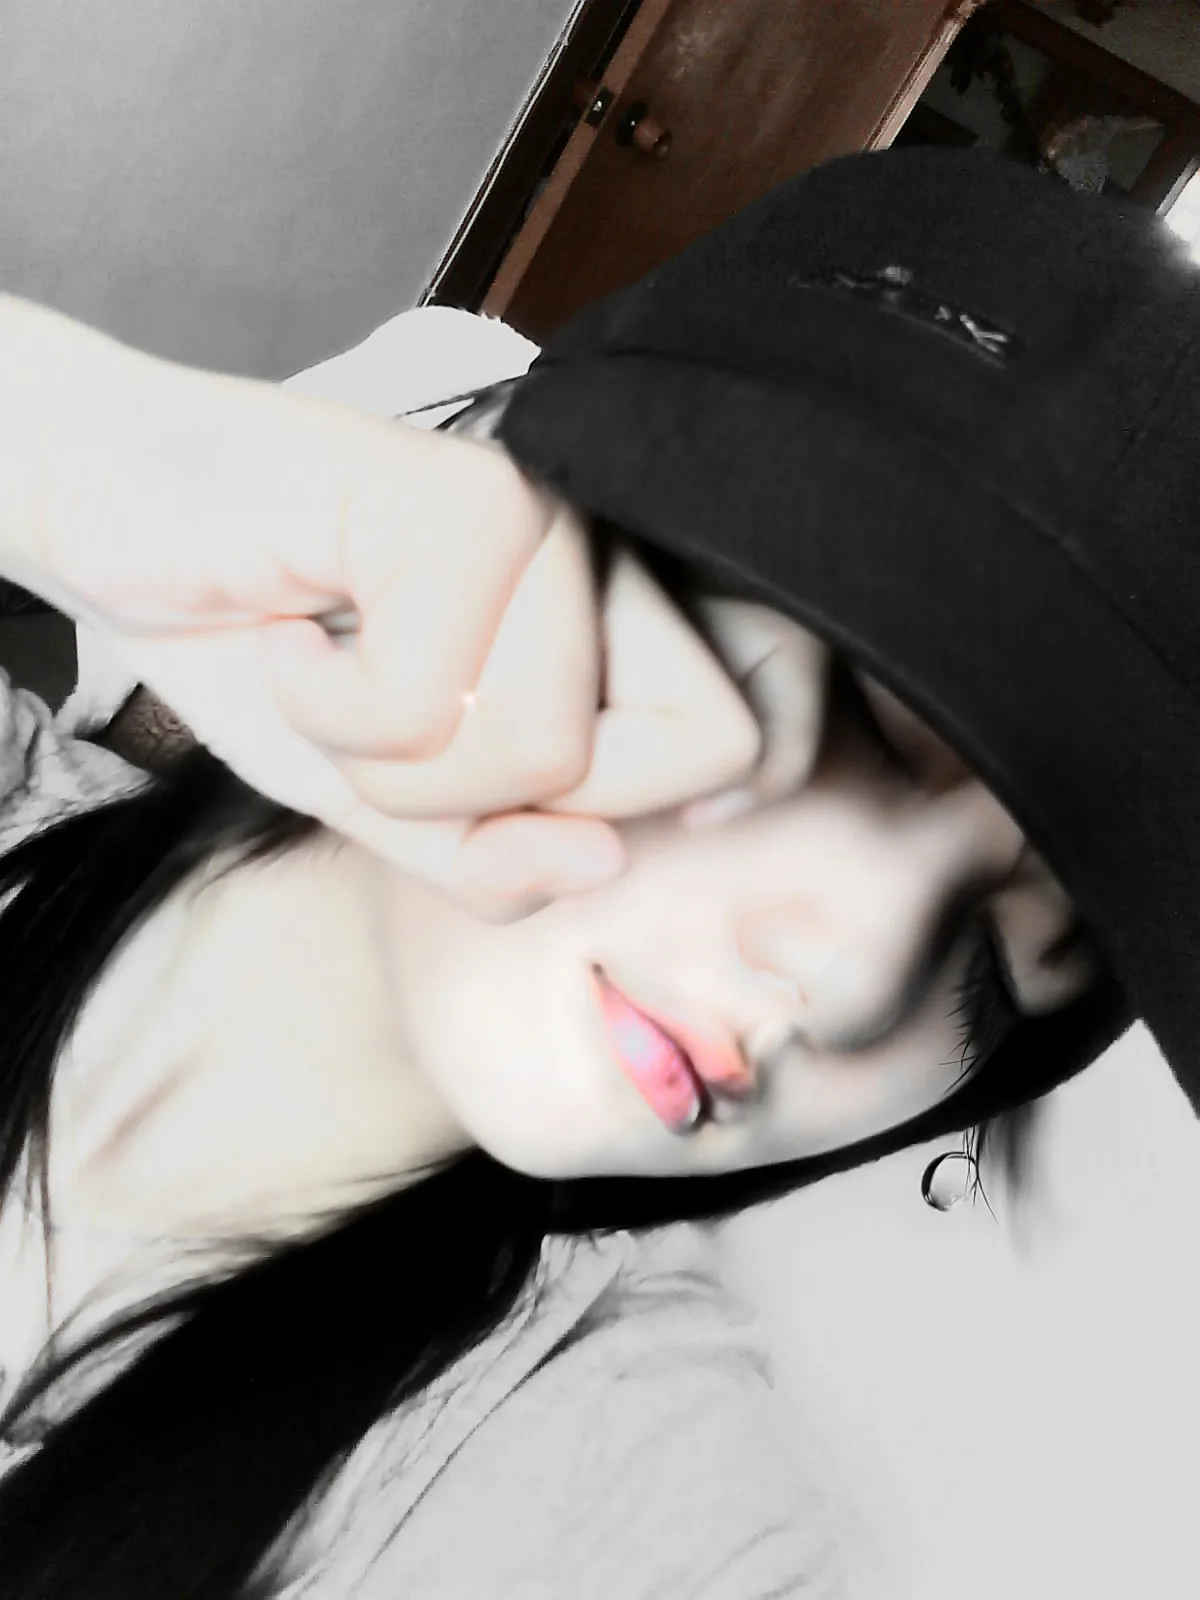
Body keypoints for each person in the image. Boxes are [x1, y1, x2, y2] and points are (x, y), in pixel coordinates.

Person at [0, 141, 1192, 1595]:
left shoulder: (627, 1503)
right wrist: (79, 453)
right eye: (857, 735)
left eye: (998, 969)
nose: (859, 976)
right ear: (498, 474)